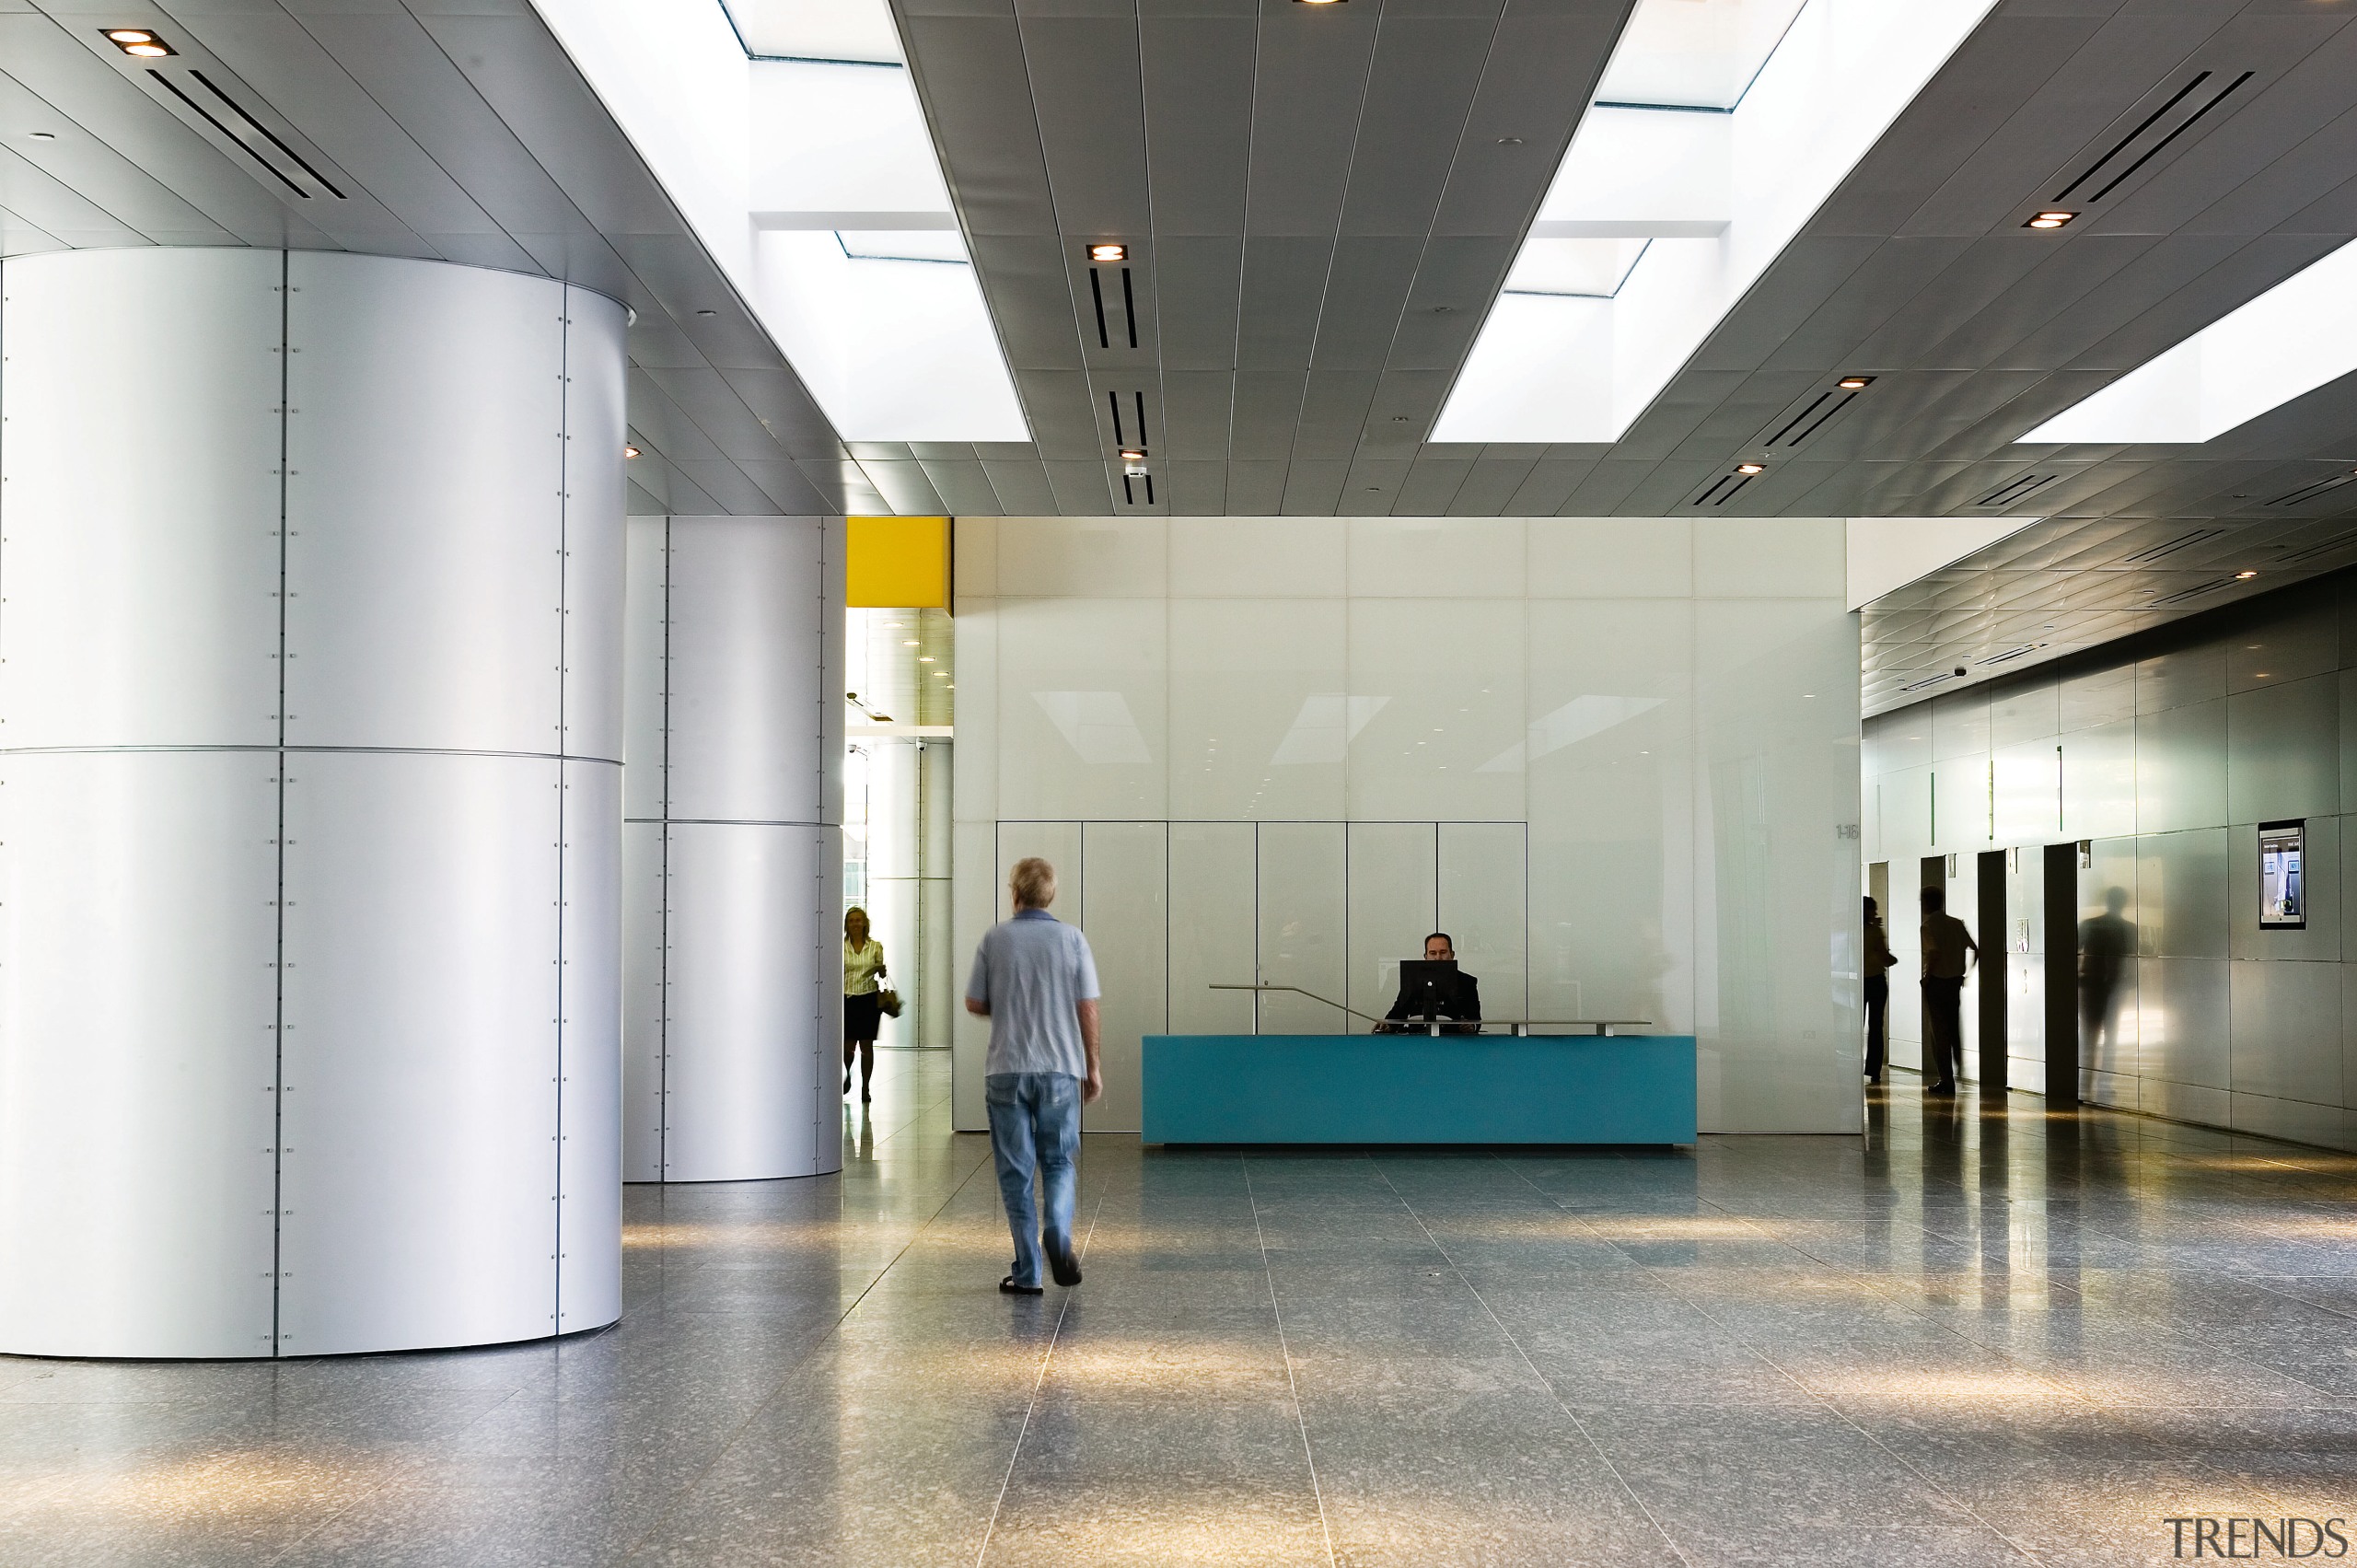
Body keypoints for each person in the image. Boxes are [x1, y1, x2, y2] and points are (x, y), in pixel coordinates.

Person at [966, 857, 1101, 1296]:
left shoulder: (995, 938)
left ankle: (1028, 1273)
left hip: (1006, 1068)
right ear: (1052, 895)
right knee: (1059, 1161)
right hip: (1061, 1069)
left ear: (1015, 893)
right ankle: (1057, 1232)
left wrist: (1009, 1001)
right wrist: (1093, 1067)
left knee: (1015, 1173)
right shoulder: (1072, 939)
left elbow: (975, 1002)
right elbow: (1087, 1007)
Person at [1920, 886, 1978, 1096]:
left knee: (1938, 1033)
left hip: (1936, 984)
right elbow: (1975, 949)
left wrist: (1926, 978)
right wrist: (1966, 974)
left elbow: (1933, 953)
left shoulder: (1927, 926)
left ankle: (1946, 1080)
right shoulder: (1955, 924)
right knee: (1953, 1027)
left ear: (1926, 903)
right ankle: (1958, 1065)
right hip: (1954, 983)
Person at [2080, 887, 2135, 1070]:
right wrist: (2130, 981)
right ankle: (2105, 1079)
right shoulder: (2128, 929)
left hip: (2090, 983)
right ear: (2123, 903)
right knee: (2111, 1034)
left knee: (2089, 1033)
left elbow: (2073, 948)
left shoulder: (2089, 925)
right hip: (2115, 984)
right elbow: (2132, 959)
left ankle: (2085, 1076)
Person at [1380, 932, 1481, 1032]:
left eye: (1443, 952)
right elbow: (1397, 1013)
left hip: (1456, 1041)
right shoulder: (1412, 981)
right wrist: (1388, 1025)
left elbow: (1475, 1019)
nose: (1438, 957)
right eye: (1433, 953)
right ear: (1426, 956)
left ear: (1452, 954)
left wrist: (1471, 1026)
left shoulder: (1468, 982)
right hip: (1417, 1041)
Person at [842, 907, 886, 1102]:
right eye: (851, 921)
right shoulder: (841, 947)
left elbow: (882, 973)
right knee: (847, 1046)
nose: (855, 924)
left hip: (869, 1000)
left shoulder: (875, 946)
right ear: (847, 925)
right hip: (848, 999)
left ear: (865, 923)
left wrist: (881, 970)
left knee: (866, 1047)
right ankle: (846, 1076)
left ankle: (865, 1088)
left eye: (858, 920)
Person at [1864, 896, 1892, 1085]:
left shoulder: (1851, 931)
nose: (1875, 913)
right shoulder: (1875, 932)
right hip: (1875, 981)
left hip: (1855, 982)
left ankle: (1848, 1065)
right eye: (1873, 910)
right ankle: (1874, 1070)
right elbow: (1886, 957)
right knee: (1876, 1026)